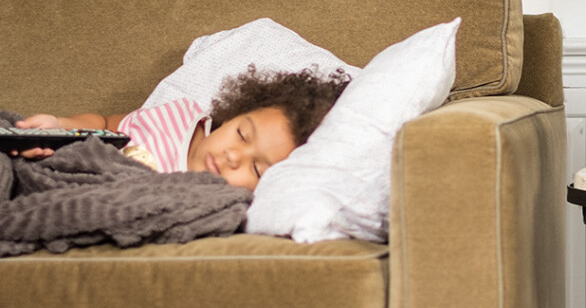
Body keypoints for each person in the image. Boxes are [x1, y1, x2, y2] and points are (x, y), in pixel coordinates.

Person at [14, 65, 349, 191]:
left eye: (257, 168)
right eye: (242, 135)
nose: (233, 155)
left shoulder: (218, 203)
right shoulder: (177, 116)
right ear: (233, 115)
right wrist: (61, 126)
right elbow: (104, 125)